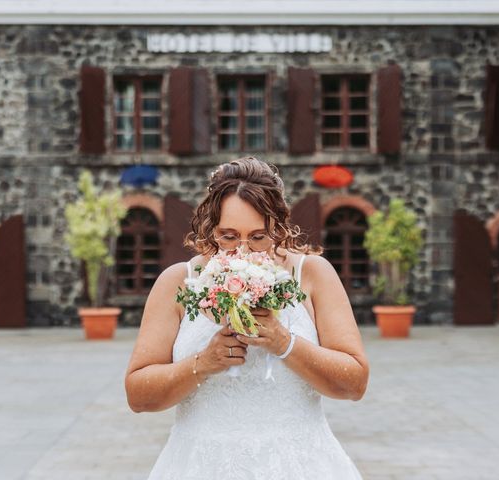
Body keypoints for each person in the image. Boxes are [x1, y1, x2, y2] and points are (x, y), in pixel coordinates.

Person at [125, 156, 369, 479]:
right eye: (228, 236)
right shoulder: (177, 282)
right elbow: (138, 395)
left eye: (258, 237)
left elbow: (355, 382)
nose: (242, 252)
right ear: (210, 229)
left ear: (278, 229)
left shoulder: (312, 275)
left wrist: (284, 343)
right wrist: (203, 362)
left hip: (298, 465)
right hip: (200, 465)